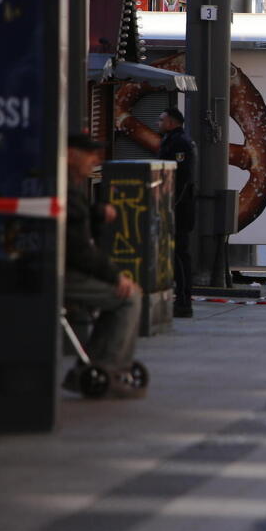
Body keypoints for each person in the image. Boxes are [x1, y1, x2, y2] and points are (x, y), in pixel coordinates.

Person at [63, 135, 145, 398]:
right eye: (89, 154)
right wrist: (114, 277)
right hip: (62, 273)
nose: (95, 161)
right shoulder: (64, 186)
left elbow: (77, 224)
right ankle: (110, 369)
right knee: (128, 297)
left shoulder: (67, 184)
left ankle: (93, 366)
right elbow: (79, 250)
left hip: (59, 267)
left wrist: (96, 213)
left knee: (124, 296)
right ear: (71, 154)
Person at [156, 108, 197, 318]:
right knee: (175, 254)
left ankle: (183, 301)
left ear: (171, 122)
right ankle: (179, 299)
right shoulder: (171, 140)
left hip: (180, 208)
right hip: (175, 206)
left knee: (180, 254)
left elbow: (182, 179)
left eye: (161, 119)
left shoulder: (180, 142)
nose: (158, 122)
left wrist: (171, 205)